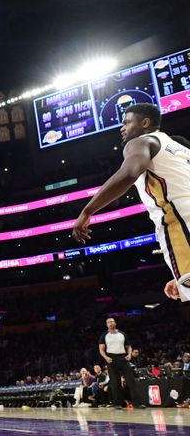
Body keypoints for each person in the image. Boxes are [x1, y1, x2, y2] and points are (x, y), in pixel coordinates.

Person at [71, 103, 190, 301]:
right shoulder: (179, 147)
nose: (122, 128)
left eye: (126, 122)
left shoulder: (141, 142)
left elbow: (129, 173)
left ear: (145, 123)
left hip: (180, 222)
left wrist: (87, 211)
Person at [98, 317, 146, 409]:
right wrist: (106, 357)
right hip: (111, 359)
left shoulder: (122, 333)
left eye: (112, 321)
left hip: (123, 358)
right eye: (108, 322)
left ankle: (137, 403)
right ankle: (118, 404)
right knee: (115, 383)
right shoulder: (104, 335)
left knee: (131, 382)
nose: (110, 323)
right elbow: (101, 349)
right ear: (106, 325)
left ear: (115, 323)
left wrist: (129, 354)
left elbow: (128, 346)